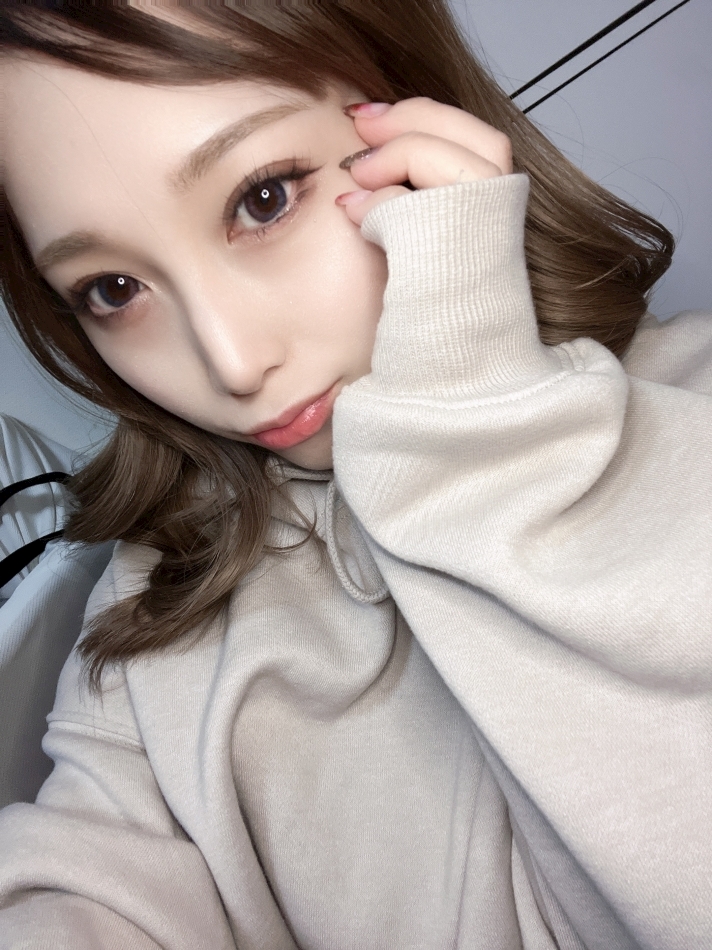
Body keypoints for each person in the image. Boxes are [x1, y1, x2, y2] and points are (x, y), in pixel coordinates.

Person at [0, 2, 710, 948]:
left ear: (418, 112)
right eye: (114, 290)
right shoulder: (157, 596)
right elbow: (81, 887)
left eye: (263, 199)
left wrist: (476, 425)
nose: (233, 363)